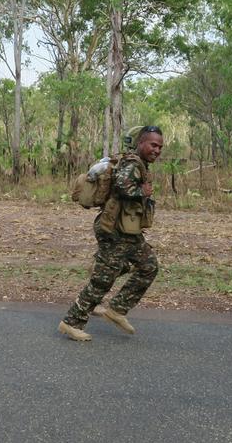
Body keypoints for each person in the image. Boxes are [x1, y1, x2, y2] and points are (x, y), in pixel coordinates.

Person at [59, 126, 163, 341]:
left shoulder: (138, 163)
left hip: (129, 232)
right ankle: (71, 322)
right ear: (141, 143)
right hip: (114, 230)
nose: (157, 150)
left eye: (160, 147)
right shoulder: (133, 164)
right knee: (102, 281)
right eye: (153, 145)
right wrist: (140, 192)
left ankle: (117, 309)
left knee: (149, 266)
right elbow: (121, 186)